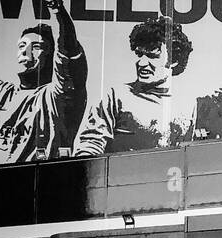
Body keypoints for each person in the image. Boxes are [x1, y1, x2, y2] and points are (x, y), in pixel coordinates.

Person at [0, 0, 88, 161]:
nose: (25, 51)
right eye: (21, 45)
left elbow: (68, 49)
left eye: (35, 46)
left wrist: (55, 3)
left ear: (51, 55)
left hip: (47, 186)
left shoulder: (58, 96)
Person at [73, 16, 195, 154]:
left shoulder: (188, 103)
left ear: (174, 61)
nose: (142, 63)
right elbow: (89, 146)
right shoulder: (114, 95)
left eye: (152, 56)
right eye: (139, 54)